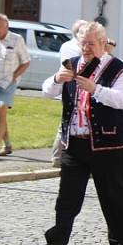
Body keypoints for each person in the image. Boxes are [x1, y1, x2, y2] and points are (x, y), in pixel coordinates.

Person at [30, 21, 123, 245]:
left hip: (107, 144)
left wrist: (95, 88)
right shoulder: (72, 65)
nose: (86, 48)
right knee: (67, 196)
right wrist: (57, 78)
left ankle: (121, 243)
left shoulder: (119, 69)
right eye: (82, 43)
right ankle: (56, 244)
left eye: (91, 43)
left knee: (114, 196)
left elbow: (121, 100)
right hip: (75, 142)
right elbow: (47, 91)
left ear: (103, 43)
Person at [0, 13, 30, 159]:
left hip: (8, 82)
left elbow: (26, 61)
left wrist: (14, 77)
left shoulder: (17, 39)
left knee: (1, 110)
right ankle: (7, 145)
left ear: (6, 26)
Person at [52, 19, 87, 167]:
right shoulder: (76, 48)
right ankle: (58, 157)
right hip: (75, 86)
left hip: (70, 85)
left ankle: (57, 157)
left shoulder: (65, 45)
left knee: (66, 121)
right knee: (68, 122)